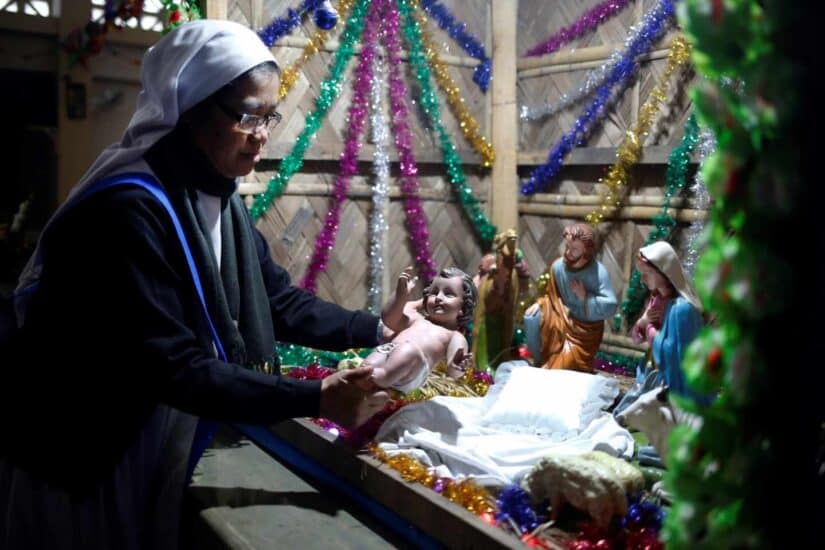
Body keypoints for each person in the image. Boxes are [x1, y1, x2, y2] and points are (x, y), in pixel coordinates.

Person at [0, 20, 390, 550]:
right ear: (191, 107)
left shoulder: (216, 199)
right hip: (84, 449)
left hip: (148, 432)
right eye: (247, 116)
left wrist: (379, 327)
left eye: (269, 116)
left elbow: (275, 299)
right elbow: (171, 365)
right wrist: (315, 398)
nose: (261, 134)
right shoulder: (127, 210)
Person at [364, 267, 477, 393]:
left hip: (413, 368)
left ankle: (381, 376)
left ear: (463, 307)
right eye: (434, 292)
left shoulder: (454, 336)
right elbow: (389, 319)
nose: (438, 297)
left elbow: (453, 373)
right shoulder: (417, 319)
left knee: (408, 350)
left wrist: (457, 366)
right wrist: (400, 296)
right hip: (392, 350)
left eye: (448, 294)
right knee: (375, 359)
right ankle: (365, 371)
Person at [524, 223, 617, 372]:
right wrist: (541, 303)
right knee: (532, 318)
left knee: (561, 368)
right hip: (561, 317)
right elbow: (553, 295)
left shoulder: (599, 272)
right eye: (567, 246)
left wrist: (585, 297)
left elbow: (610, 305)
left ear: (586, 251)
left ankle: (556, 363)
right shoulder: (558, 267)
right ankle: (540, 360)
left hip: (583, 330)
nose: (568, 252)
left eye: (574, 249)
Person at [635, 241, 709, 404]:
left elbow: (673, 352)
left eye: (646, 273)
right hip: (654, 369)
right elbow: (637, 336)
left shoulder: (682, 308)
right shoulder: (656, 300)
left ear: (662, 272)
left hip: (678, 385)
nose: (642, 279)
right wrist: (643, 322)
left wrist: (649, 329)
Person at [471, 229, 531, 370]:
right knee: (483, 346)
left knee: (502, 344)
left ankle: (498, 366)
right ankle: (481, 369)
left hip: (503, 321)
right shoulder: (487, 277)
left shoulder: (514, 271)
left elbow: (521, 289)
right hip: (486, 322)